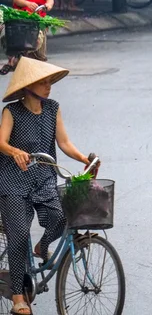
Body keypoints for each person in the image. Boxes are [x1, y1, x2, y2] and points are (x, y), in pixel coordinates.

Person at [0, 57, 91, 315]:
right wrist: (15, 151)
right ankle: (18, 297)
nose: (49, 86)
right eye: (43, 82)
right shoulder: (12, 112)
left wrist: (84, 158)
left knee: (64, 216)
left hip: (44, 179)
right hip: (13, 182)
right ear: (28, 86)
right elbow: (1, 141)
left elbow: (63, 142)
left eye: (50, 81)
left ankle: (42, 246)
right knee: (18, 237)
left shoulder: (53, 108)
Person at [0, 0, 54, 75]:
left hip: (37, 20)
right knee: (5, 35)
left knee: (36, 43)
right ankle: (12, 59)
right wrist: (27, 3)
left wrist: (48, 5)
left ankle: (16, 62)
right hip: (18, 19)